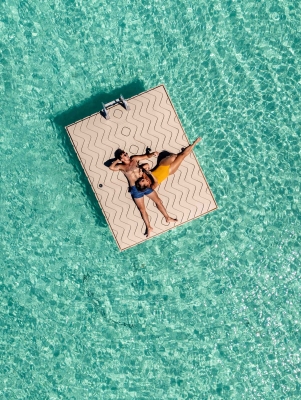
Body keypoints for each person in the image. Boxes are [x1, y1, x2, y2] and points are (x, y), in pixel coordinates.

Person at [109, 149, 177, 237]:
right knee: (142, 209)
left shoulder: (134, 159)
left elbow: (145, 156)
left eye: (126, 153)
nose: (127, 154)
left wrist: (153, 154)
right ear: (121, 159)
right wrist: (117, 160)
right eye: (124, 155)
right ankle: (149, 227)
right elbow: (111, 167)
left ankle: (167, 218)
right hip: (135, 189)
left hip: (144, 185)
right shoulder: (121, 166)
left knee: (158, 201)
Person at [135, 138, 202, 191]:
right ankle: (194, 143)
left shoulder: (144, 176)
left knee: (174, 157)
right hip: (169, 171)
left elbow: (147, 165)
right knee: (182, 156)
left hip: (162, 165)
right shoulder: (151, 187)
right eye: (143, 181)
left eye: (142, 180)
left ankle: (172, 155)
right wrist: (151, 174)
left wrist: (143, 168)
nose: (143, 179)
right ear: (145, 186)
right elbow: (156, 182)